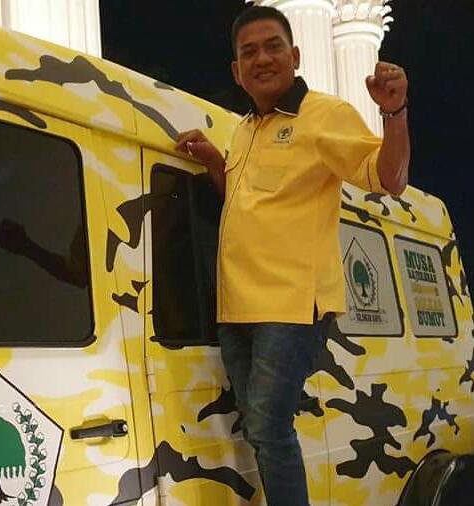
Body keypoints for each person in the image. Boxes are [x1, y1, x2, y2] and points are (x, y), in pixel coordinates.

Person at [175, 6, 410, 506]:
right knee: (258, 429)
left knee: (268, 427)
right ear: (236, 71)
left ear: (296, 56)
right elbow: (243, 202)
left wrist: (394, 114)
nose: (262, 58)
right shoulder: (243, 129)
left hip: (291, 307)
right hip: (236, 307)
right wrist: (215, 162)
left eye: (273, 46)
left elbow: (389, 179)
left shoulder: (324, 114)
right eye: (249, 52)